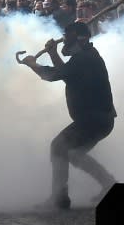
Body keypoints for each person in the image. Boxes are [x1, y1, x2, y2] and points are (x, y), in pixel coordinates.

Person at [19, 21, 116, 210]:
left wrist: (33, 64)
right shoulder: (86, 56)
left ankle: (59, 198)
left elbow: (55, 75)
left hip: (94, 119)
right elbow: (66, 73)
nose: (64, 44)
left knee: (58, 146)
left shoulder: (85, 59)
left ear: (80, 40)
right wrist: (54, 53)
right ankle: (108, 183)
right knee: (74, 154)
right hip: (99, 119)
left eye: (67, 39)